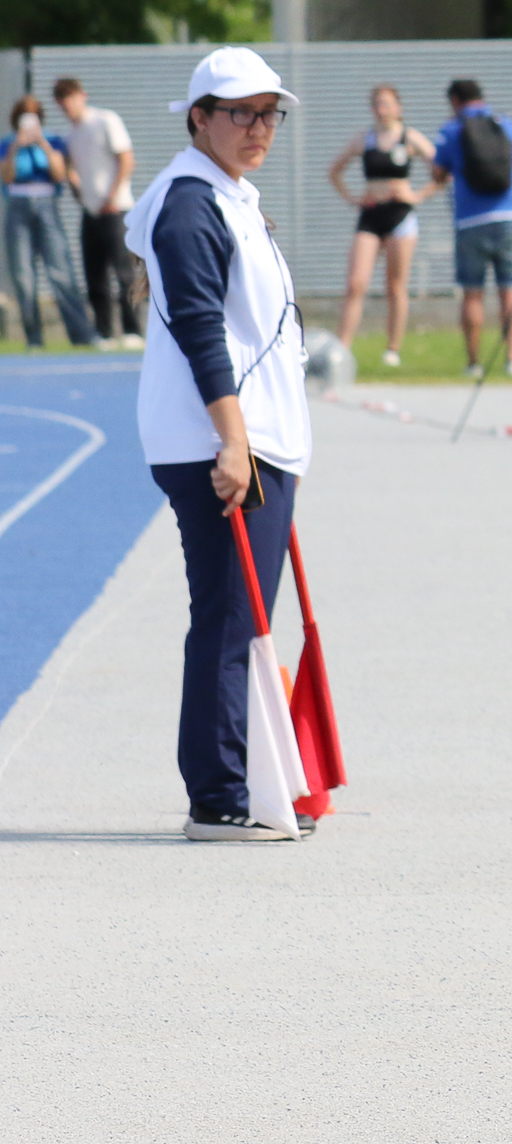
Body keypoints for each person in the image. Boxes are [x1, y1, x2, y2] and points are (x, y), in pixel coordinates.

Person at [124, 48, 312, 841]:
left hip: (252, 437)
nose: (259, 127)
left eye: (270, 114)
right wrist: (234, 443)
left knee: (242, 615)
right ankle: (218, 794)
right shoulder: (190, 203)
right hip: (223, 441)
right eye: (241, 113)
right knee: (230, 616)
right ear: (199, 118)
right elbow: (202, 328)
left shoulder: (229, 195)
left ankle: (248, 780)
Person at [328, 84, 435, 367]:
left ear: (398, 107)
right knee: (356, 283)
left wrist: (418, 195)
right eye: (377, 103)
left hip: (400, 214)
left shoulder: (409, 137)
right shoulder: (364, 139)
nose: (381, 109)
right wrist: (353, 198)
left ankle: (392, 349)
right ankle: (341, 348)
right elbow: (335, 171)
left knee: (395, 285)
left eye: (387, 103)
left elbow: (442, 170)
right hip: (371, 214)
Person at [430, 78, 512, 379]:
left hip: (471, 219)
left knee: (473, 293)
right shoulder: (508, 125)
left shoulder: (451, 130)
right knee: (511, 291)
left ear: (455, 101)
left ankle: (473, 362)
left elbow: (437, 173)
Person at [5, 94, 97, 350]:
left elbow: (59, 175)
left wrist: (42, 144)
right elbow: (7, 177)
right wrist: (16, 146)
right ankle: (33, 338)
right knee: (23, 275)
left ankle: (82, 335)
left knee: (61, 271)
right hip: (18, 205)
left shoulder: (53, 140)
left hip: (47, 205)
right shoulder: (8, 143)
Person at [54, 78, 138, 347]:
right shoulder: (70, 135)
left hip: (116, 208)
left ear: (82, 96)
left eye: (70, 98)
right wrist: (78, 192)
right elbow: (72, 171)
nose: (68, 106)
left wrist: (111, 197)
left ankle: (133, 330)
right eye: (62, 102)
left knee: (124, 272)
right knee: (95, 275)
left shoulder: (105, 120)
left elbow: (126, 160)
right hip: (91, 212)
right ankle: (103, 332)